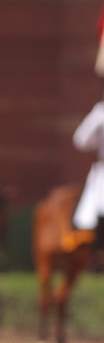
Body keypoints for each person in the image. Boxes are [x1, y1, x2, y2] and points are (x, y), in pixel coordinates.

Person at [70, 85, 104, 258]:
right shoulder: (100, 113)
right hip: (103, 171)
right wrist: (96, 123)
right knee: (94, 210)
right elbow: (80, 140)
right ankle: (96, 252)